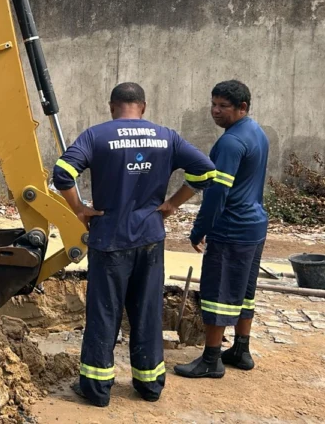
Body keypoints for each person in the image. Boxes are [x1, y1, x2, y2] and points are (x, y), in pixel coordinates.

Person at [52, 82, 216, 407]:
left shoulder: (96, 135)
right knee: (147, 311)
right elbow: (206, 172)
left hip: (110, 238)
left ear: (112, 106)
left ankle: (97, 390)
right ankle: (149, 384)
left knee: (104, 312)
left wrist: (80, 209)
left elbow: (63, 173)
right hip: (150, 239)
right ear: (143, 106)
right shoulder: (166, 136)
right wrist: (172, 204)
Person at [174, 79, 270, 379]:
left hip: (232, 227)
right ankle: (241, 350)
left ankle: (211, 359)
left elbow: (216, 193)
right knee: (244, 291)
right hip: (255, 225)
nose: (215, 111)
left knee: (217, 291)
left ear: (242, 108)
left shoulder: (230, 143)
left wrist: (200, 228)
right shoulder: (256, 132)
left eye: (223, 106)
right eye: (213, 104)